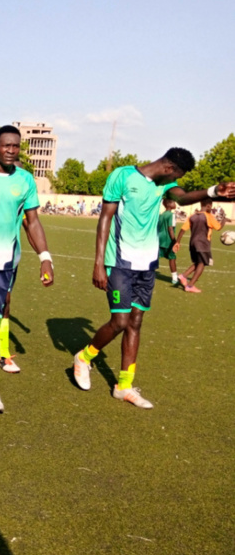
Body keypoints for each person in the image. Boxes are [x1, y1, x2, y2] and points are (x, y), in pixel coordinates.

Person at [73, 150, 235, 408]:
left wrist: (214, 191)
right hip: (120, 262)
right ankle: (84, 357)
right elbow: (105, 218)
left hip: (147, 264)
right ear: (169, 168)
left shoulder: (165, 184)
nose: (177, 181)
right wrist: (99, 263)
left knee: (135, 322)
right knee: (120, 321)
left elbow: (183, 197)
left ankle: (124, 386)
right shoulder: (122, 176)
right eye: (178, 175)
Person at [0, 126, 54, 405]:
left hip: (7, 260)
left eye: (15, 146)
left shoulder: (24, 179)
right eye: (6, 145)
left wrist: (45, 258)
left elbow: (32, 221)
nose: (11, 150)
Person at [174, 198, 222, 293]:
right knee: (202, 263)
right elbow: (219, 227)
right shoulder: (208, 216)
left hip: (193, 243)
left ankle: (183, 276)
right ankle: (190, 286)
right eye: (211, 206)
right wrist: (224, 220)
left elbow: (183, 229)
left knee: (198, 262)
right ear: (208, 206)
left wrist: (178, 242)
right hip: (203, 243)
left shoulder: (192, 216)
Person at [157, 197, 179, 284]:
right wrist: (174, 241)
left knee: (155, 257)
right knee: (172, 258)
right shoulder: (171, 215)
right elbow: (170, 228)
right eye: (174, 202)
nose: (175, 204)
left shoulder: (161, 215)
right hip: (168, 240)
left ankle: (145, 273)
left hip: (159, 239)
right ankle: (175, 279)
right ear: (169, 204)